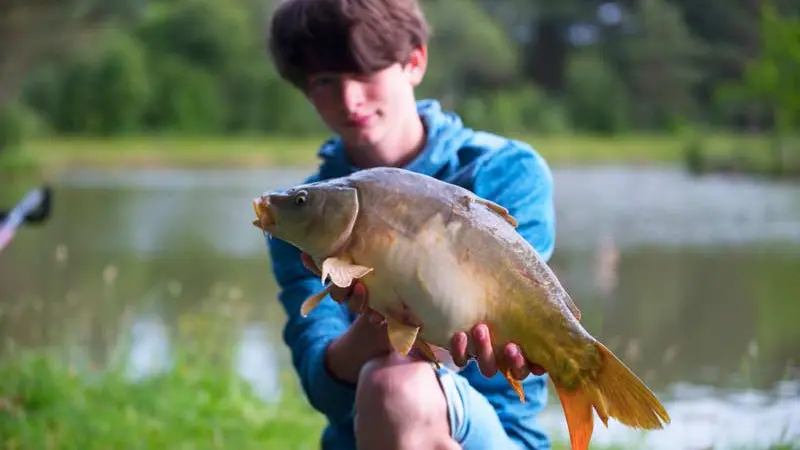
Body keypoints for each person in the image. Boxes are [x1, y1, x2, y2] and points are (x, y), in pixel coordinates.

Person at [264, 0, 557, 448]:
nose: (349, 98)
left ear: (414, 61)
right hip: (361, 434)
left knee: (400, 389)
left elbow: (512, 340)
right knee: (388, 386)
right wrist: (379, 323)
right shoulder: (305, 214)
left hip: (493, 430)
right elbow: (324, 391)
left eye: (364, 70)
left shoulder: (503, 171)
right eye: (325, 81)